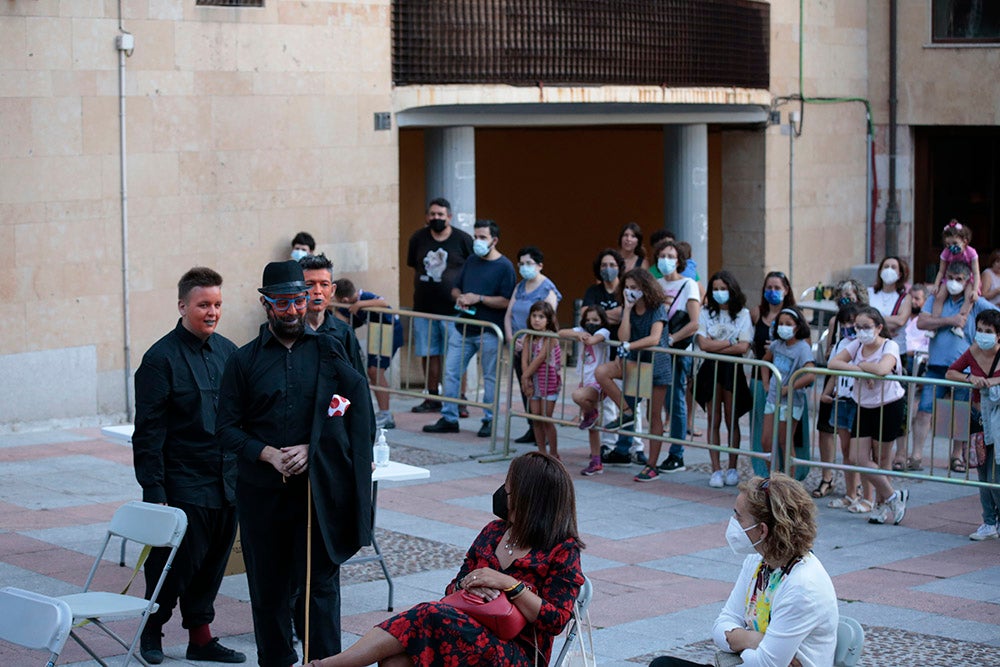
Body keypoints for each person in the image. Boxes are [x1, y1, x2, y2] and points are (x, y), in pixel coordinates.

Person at [217, 260, 374, 667]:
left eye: (298, 301)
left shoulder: (329, 349)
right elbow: (226, 429)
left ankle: (324, 662)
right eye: (283, 303)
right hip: (262, 495)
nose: (292, 311)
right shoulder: (243, 361)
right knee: (268, 590)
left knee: (320, 587)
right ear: (266, 304)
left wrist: (312, 445)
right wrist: (267, 453)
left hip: (315, 491)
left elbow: (348, 406)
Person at [305, 452, 586, 667]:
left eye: (509, 489)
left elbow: (556, 620)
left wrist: (509, 585)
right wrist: (471, 585)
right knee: (395, 661)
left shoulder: (562, 549)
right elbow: (452, 588)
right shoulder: (494, 532)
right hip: (463, 630)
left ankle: (329, 665)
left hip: (518, 653)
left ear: (529, 500)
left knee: (430, 613)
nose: (503, 494)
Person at [133, 267, 245, 665]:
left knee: (213, 563)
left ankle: (201, 638)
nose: (212, 312)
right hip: (183, 482)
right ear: (183, 306)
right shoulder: (159, 359)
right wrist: (154, 492)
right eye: (203, 305)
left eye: (217, 304)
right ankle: (151, 629)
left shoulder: (230, 351)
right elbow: (147, 433)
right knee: (172, 567)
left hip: (227, 481)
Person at [648, 473, 838, 667]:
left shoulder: (802, 586)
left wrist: (742, 641)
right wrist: (755, 640)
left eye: (739, 516)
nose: (733, 522)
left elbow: (763, 664)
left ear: (762, 530)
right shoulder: (759, 560)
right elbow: (722, 625)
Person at [423, 219, 517, 438]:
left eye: (482, 237)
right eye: (475, 237)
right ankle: (449, 416)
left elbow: (507, 300)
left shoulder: (505, 267)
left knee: (490, 377)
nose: (477, 241)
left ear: (494, 240)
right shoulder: (472, 261)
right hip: (463, 327)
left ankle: (489, 420)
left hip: (490, 331)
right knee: (451, 372)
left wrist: (479, 298)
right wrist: (461, 298)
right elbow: (456, 288)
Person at [911, 260, 998, 473]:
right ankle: (916, 455)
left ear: (967, 280)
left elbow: (996, 317)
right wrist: (950, 320)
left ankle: (956, 456)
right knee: (924, 409)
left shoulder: (974, 302)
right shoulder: (936, 299)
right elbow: (921, 322)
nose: (954, 283)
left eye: (959, 280)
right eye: (950, 278)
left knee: (961, 413)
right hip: (936, 366)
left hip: (964, 370)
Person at [828, 307, 910, 524]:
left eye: (866, 327)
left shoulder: (889, 345)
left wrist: (861, 365)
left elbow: (883, 369)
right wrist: (863, 370)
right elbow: (833, 363)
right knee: (858, 458)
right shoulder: (857, 344)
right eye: (858, 327)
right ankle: (894, 495)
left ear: (879, 327)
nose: (861, 332)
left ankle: (881, 506)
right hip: (863, 405)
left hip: (889, 404)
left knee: (883, 459)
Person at [595, 269, 673, 482]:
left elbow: (655, 338)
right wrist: (627, 310)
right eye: (628, 287)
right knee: (602, 372)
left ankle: (652, 464)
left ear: (645, 288)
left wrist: (628, 347)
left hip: (656, 365)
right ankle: (627, 411)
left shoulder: (657, 309)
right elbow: (623, 336)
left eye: (635, 288)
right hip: (635, 364)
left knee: (653, 415)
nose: (631, 291)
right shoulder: (627, 308)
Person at [406, 197, 474, 414]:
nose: (436, 218)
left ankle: (459, 400)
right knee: (429, 354)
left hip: (453, 312)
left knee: (456, 357)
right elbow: (413, 266)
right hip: (424, 309)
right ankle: (432, 396)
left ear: (449, 217)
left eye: (441, 215)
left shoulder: (463, 240)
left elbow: (472, 269)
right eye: (433, 215)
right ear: (427, 217)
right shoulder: (418, 238)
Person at [695, 271, 753, 488]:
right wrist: (730, 342)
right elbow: (704, 344)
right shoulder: (705, 312)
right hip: (711, 369)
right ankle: (715, 468)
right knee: (713, 418)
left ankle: (732, 467)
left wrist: (717, 344)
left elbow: (744, 345)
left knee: (732, 418)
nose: (720, 293)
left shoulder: (743, 314)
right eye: (716, 289)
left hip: (733, 369)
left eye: (724, 288)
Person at [946, 309, 1000, 540]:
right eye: (979, 330)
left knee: (997, 475)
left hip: (998, 421)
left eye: (988, 332)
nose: (983, 335)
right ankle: (989, 521)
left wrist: (991, 381)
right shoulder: (974, 350)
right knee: (983, 472)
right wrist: (970, 378)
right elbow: (951, 372)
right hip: (978, 420)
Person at [504, 246, 562, 445]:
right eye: (521, 263)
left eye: (529, 263)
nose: (524, 267)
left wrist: (528, 338)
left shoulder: (548, 289)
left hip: (539, 352)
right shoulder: (520, 286)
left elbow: (548, 320)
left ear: (539, 265)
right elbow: (509, 314)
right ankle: (533, 427)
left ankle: (546, 437)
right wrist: (512, 338)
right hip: (520, 346)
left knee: (539, 390)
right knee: (526, 389)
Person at [651, 239, 701, 475]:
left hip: (677, 351)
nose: (666, 260)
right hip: (658, 350)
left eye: (671, 256)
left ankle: (676, 453)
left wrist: (671, 339)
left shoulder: (689, 284)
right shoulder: (656, 284)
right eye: (662, 255)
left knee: (676, 401)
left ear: (679, 260)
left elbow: (694, 323)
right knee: (657, 401)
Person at [331, 278, 404, 430]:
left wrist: (360, 304)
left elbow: (383, 303)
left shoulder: (364, 297)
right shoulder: (346, 305)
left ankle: (386, 414)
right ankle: (383, 413)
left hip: (389, 331)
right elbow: (342, 320)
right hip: (377, 334)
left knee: (376, 371)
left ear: (344, 299)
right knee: (372, 371)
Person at [748, 271, 798, 477]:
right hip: (761, 379)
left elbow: (805, 347)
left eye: (777, 288)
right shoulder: (756, 312)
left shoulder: (794, 315)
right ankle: (764, 474)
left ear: (786, 290)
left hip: (786, 382)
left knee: (785, 434)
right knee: (762, 429)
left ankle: (788, 478)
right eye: (769, 288)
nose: (772, 292)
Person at [759, 308, 815, 477]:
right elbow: (765, 362)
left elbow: (811, 373)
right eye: (781, 324)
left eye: (788, 324)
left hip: (791, 402)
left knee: (785, 442)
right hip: (773, 398)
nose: (784, 327)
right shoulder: (776, 345)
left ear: (797, 327)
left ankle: (788, 481)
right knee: (766, 441)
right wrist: (766, 383)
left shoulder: (802, 348)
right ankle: (772, 476)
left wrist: (790, 387)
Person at [559, 305, 612, 475]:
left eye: (595, 320)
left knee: (577, 396)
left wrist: (586, 336)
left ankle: (591, 414)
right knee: (592, 426)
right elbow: (561, 333)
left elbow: (593, 340)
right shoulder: (581, 330)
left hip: (598, 383)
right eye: (588, 320)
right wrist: (578, 333)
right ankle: (596, 461)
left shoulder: (604, 332)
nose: (591, 323)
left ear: (602, 321)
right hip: (585, 381)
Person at [300, 253, 367, 376]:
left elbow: (358, 382)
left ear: (332, 290)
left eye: (324, 284)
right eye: (310, 285)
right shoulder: (288, 330)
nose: (318, 291)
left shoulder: (344, 332)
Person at [520, 301, 563, 458]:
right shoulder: (527, 337)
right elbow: (524, 359)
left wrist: (525, 377)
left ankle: (553, 453)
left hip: (549, 382)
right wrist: (527, 380)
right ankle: (541, 452)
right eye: (534, 316)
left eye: (541, 317)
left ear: (548, 319)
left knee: (546, 418)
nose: (537, 320)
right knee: (535, 417)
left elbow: (540, 358)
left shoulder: (550, 338)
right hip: (534, 381)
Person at [930, 220, 982, 328]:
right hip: (950, 277)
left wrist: (975, 290)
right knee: (939, 297)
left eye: (954, 243)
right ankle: (935, 323)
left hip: (967, 279)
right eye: (948, 244)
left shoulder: (971, 253)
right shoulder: (946, 253)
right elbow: (941, 271)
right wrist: (936, 284)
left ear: (965, 241)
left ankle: (960, 323)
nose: (951, 247)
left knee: (969, 298)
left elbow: (976, 273)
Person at [903, 283, 931, 377]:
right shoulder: (901, 317)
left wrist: (913, 352)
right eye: (911, 298)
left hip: (915, 359)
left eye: (917, 299)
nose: (912, 301)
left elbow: (929, 347)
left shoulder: (928, 321)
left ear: (925, 301)